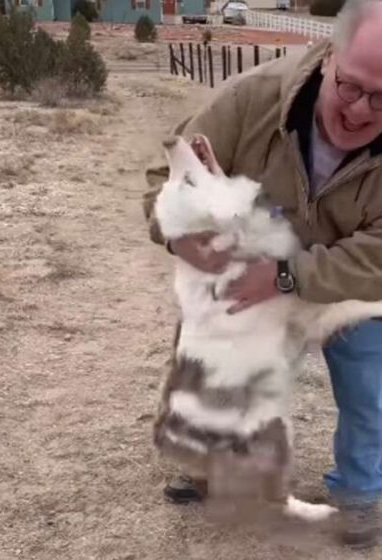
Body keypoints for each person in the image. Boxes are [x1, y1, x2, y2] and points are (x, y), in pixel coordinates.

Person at [142, 0, 382, 550]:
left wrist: (286, 275)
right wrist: (182, 237)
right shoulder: (251, 97)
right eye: (351, 85)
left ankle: (360, 492)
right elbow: (167, 175)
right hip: (251, 264)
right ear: (327, 56)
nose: (362, 110)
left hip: (355, 285)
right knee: (212, 362)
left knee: (370, 390)